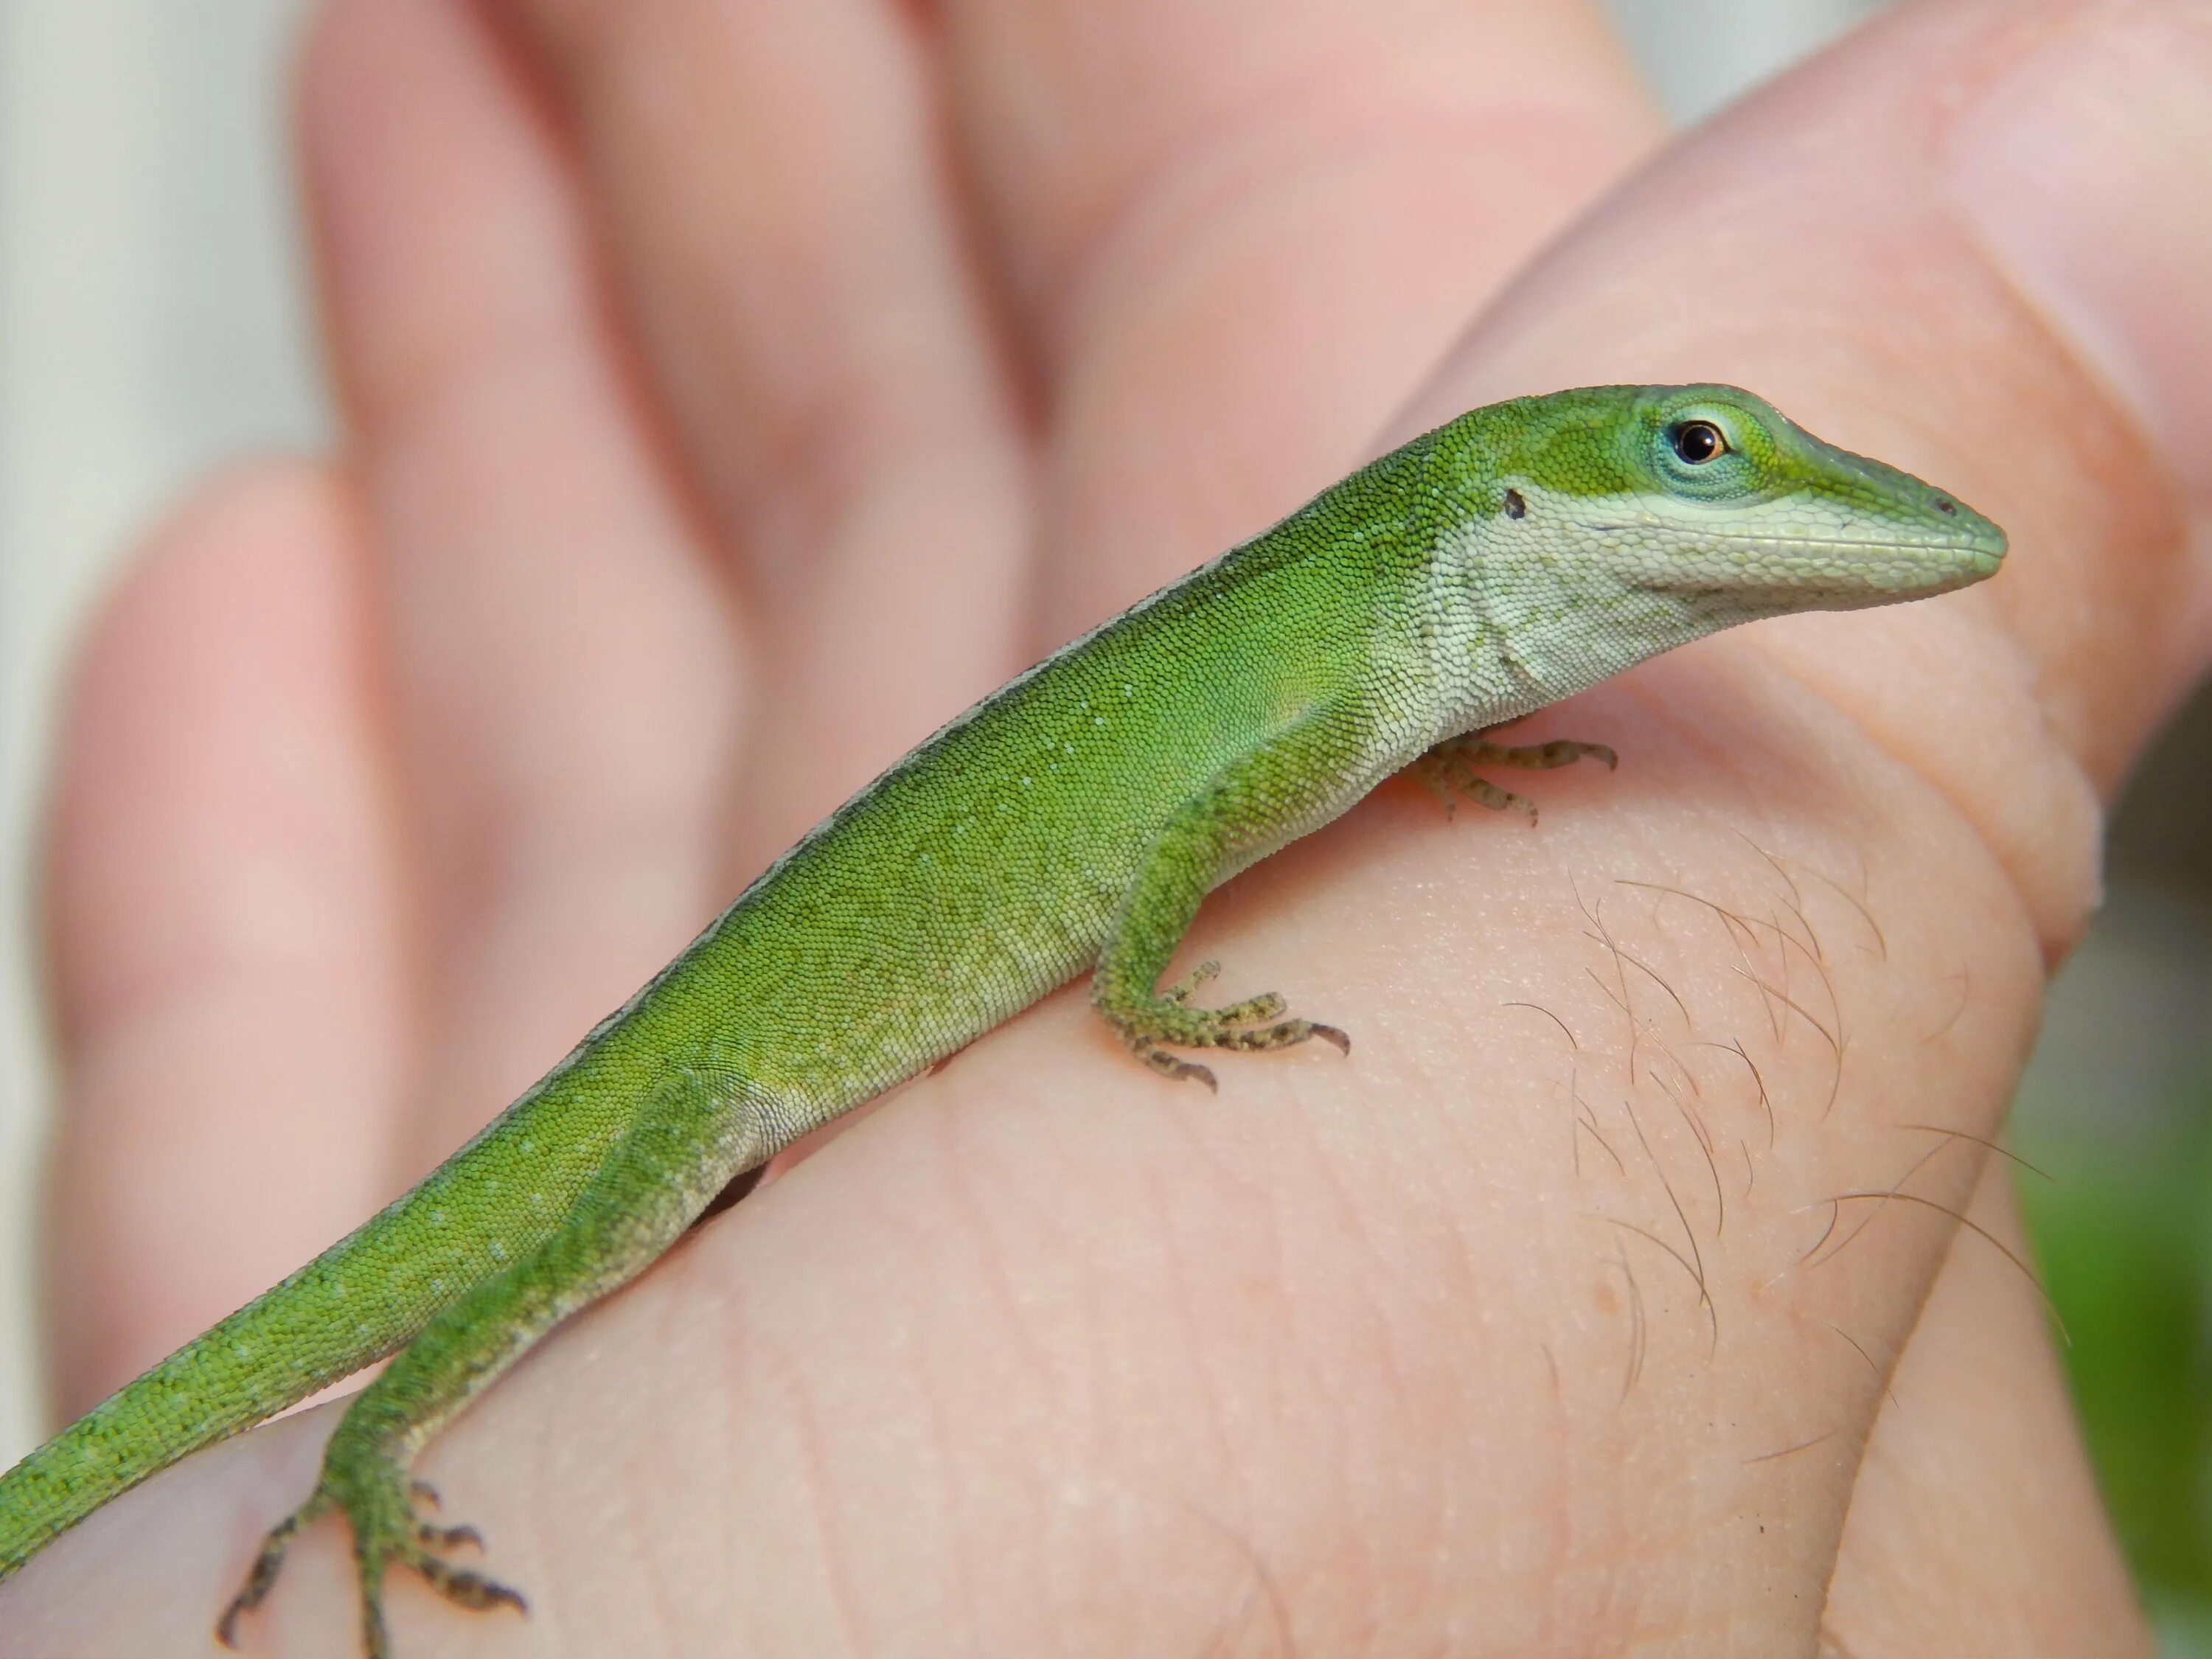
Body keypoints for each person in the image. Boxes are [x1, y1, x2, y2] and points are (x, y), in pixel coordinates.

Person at [12, 0, 2202, 1650]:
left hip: (806, 960)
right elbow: (1187, 836)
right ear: (1514, 493)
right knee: (605, 1215)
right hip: (750, 1038)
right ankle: (386, 1443)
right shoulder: (1356, 661)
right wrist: (1147, 991)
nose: (1772, 495)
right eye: (1707, 449)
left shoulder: (1398, 653)